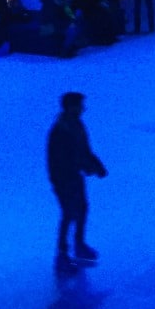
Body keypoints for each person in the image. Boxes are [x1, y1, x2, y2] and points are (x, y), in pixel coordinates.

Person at [47, 91, 107, 265]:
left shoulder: (77, 124)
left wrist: (97, 165)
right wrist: (87, 167)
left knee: (82, 209)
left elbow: (84, 150)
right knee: (68, 213)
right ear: (71, 107)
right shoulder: (61, 129)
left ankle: (79, 244)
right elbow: (63, 158)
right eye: (80, 105)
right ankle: (62, 254)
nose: (83, 109)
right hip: (63, 178)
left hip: (75, 176)